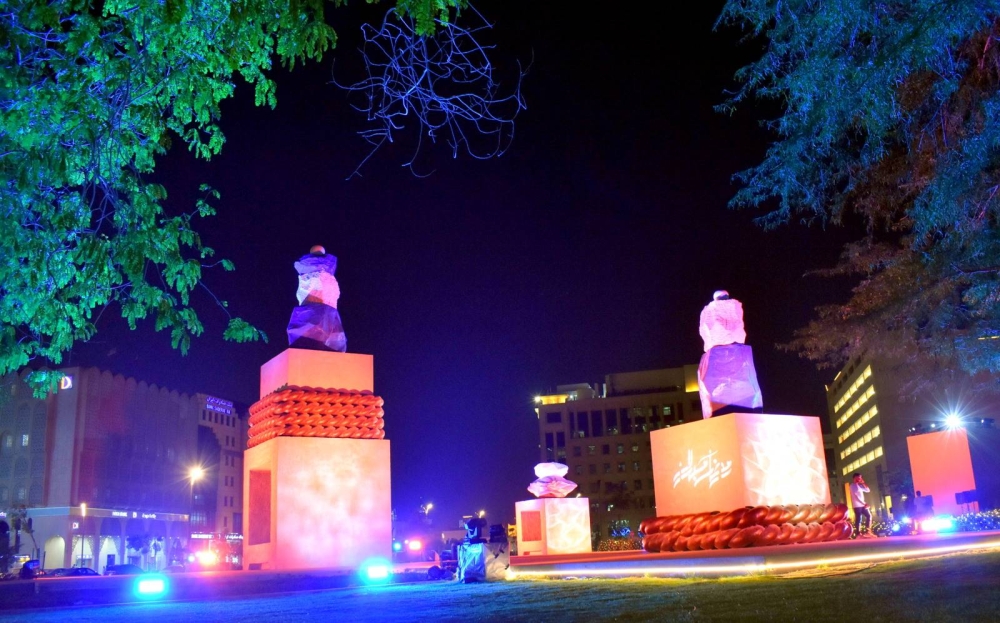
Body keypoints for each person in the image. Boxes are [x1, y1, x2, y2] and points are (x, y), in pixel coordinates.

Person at [850, 473, 874, 538]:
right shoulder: (852, 486)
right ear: (854, 478)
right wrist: (864, 503)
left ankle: (868, 531)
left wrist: (863, 483)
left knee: (869, 516)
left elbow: (868, 490)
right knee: (859, 518)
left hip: (863, 505)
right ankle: (858, 534)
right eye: (858, 478)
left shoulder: (860, 486)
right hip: (857, 505)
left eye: (860, 478)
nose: (859, 479)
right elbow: (856, 496)